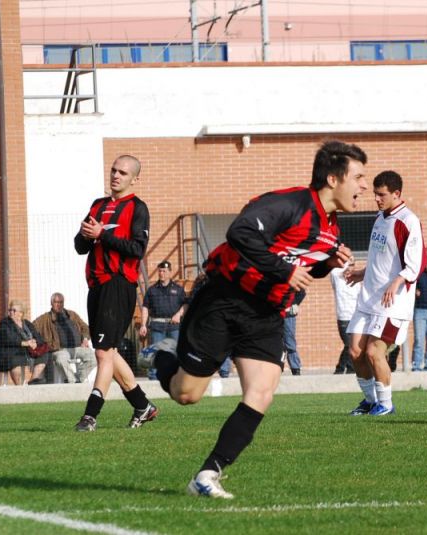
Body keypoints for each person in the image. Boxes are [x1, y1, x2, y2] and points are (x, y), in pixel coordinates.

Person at [143, 140, 368, 499]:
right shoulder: (288, 204)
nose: (364, 186)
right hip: (225, 300)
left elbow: (304, 265)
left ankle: (207, 474)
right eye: (358, 177)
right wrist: (284, 270)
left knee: (262, 392)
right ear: (332, 178)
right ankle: (162, 356)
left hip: (266, 315)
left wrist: (327, 263)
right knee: (186, 395)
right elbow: (240, 233)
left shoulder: (332, 227)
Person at [73, 154, 158, 432]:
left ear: (134, 178)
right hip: (96, 285)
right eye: (113, 170)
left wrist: (102, 234)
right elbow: (80, 247)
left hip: (119, 284)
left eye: (123, 172)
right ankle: (143, 406)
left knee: (102, 352)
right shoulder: (98, 205)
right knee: (108, 351)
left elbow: (137, 249)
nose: (116, 176)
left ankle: (90, 416)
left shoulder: (138, 208)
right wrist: (86, 235)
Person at [345, 170, 425, 416]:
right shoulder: (380, 218)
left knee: (373, 352)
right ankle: (371, 401)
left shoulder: (408, 221)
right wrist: (363, 273)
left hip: (393, 302)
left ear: (396, 193)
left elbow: (416, 264)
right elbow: (382, 258)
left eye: (382, 195)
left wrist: (396, 281)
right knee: (355, 351)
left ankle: (386, 404)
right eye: (375, 194)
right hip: (369, 298)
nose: (376, 199)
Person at [33, 292, 96, 383]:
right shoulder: (45, 318)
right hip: (60, 349)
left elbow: (85, 327)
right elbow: (32, 327)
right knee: (61, 359)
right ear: (51, 303)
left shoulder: (72, 315)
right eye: (56, 302)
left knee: (93, 357)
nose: (58, 304)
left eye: (61, 302)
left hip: (78, 347)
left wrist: (85, 338)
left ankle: (78, 378)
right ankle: (73, 380)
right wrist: (39, 341)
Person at [0, 300, 48, 385]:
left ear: (21, 313)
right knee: (16, 359)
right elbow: (9, 338)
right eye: (10, 310)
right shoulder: (5, 323)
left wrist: (35, 342)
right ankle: (18, 386)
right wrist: (25, 343)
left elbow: (38, 337)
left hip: (24, 352)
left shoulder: (26, 323)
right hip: (6, 353)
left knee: (43, 355)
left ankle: (32, 381)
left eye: (14, 310)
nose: (11, 312)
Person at [330, 264, 359, 374]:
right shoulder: (337, 278)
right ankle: (340, 368)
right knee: (348, 344)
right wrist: (346, 267)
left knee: (354, 345)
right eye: (348, 264)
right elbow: (334, 272)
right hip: (343, 317)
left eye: (352, 265)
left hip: (355, 317)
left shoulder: (356, 282)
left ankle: (351, 369)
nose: (350, 267)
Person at [283, 290, 306, 375]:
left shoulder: (291, 283)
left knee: (289, 341)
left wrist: (294, 303)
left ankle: (295, 368)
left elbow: (302, 293)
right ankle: (278, 366)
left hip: (288, 315)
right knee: (277, 342)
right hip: (275, 315)